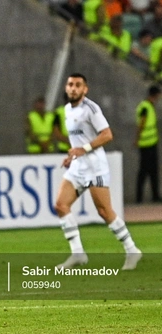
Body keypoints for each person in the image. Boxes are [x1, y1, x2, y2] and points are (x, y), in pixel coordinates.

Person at [55, 73, 142, 271]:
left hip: (95, 166)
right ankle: (78, 253)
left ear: (85, 89)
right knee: (61, 205)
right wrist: (72, 155)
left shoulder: (91, 109)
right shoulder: (67, 110)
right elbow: (77, 140)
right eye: (70, 84)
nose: (73, 88)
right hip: (78, 166)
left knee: (104, 211)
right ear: (66, 88)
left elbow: (107, 135)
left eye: (78, 85)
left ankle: (132, 249)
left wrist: (82, 150)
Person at [135, 85, 161, 203]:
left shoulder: (149, 106)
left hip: (151, 142)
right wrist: (137, 138)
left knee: (152, 171)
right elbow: (142, 123)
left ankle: (155, 195)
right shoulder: (145, 107)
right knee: (144, 171)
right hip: (146, 144)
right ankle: (139, 197)